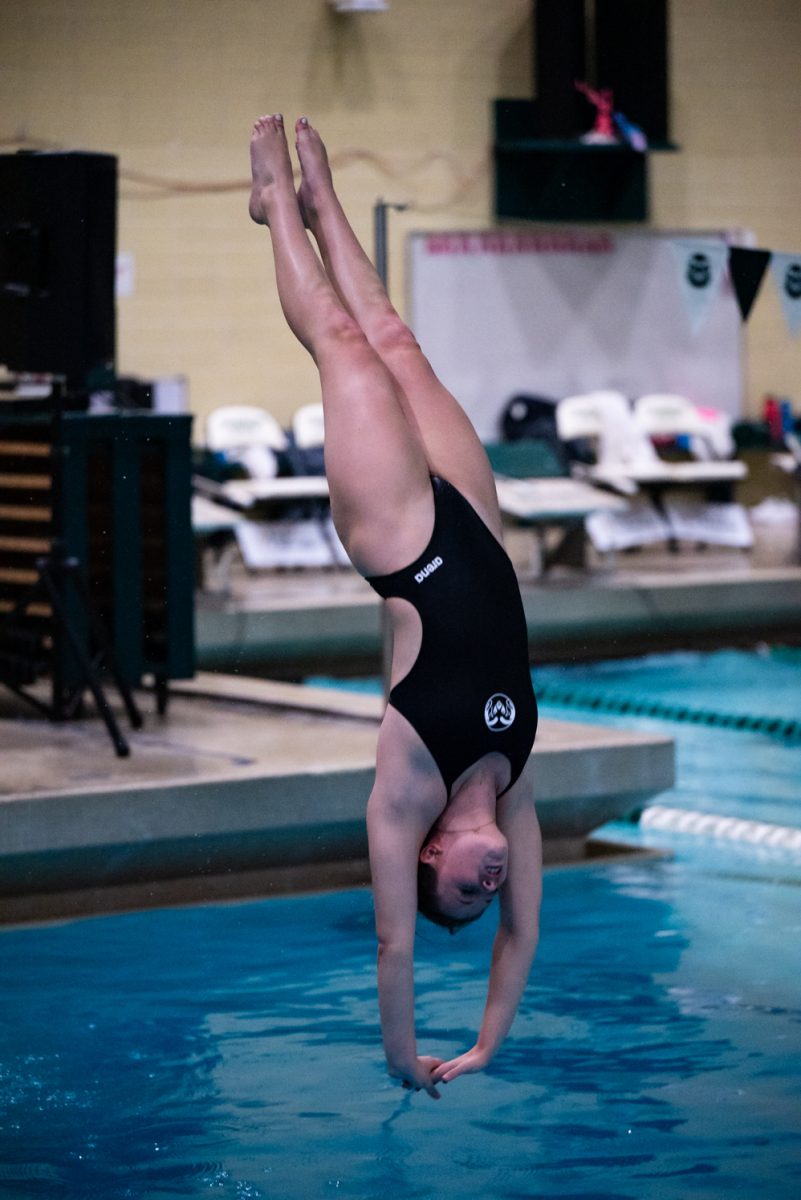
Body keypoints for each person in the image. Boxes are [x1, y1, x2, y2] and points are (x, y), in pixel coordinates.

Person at [248, 114, 542, 1100]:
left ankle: (279, 204)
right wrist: (490, 1045)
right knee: (395, 339)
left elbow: (390, 946)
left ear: (429, 854)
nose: (486, 884)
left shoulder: (404, 793)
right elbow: (524, 935)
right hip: (482, 530)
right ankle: (321, 201)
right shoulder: (514, 786)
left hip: (407, 546)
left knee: (341, 345)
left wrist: (402, 1057)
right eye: (482, 894)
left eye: (460, 885)